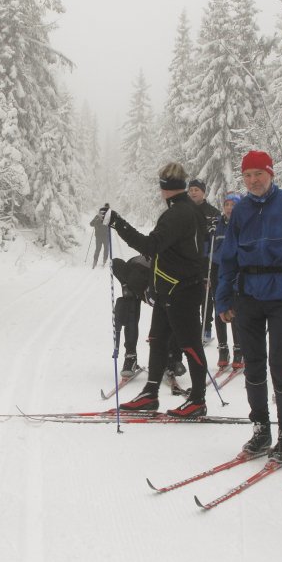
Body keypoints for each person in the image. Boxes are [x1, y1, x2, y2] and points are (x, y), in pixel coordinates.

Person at [215, 151, 282, 460]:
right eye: (248, 175)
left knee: (280, 365)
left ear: (271, 173)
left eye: (259, 173)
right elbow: (228, 257)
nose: (253, 180)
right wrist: (223, 297)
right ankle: (260, 428)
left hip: (281, 294)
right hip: (248, 297)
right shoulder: (240, 212)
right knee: (253, 365)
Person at [101, 163, 208, 417]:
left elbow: (150, 246)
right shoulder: (186, 210)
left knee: (190, 344)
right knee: (157, 341)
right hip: (169, 289)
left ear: (164, 187)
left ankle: (198, 400)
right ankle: (150, 394)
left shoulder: (178, 213)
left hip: (182, 290)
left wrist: (118, 222)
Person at [188, 178, 223, 345]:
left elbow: (219, 236)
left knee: (206, 294)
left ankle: (206, 328)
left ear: (203, 192)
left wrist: (212, 232)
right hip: (188, 258)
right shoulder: (184, 209)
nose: (193, 192)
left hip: (207, 259)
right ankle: (190, 327)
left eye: (197, 189)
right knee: (190, 294)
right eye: (191, 190)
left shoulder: (212, 212)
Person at [211, 192, 244, 370]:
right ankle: (223, 348)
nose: (230, 208)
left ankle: (239, 349)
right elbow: (207, 250)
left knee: (235, 308)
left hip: (236, 269)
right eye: (227, 204)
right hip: (218, 268)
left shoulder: (242, 223)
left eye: (233, 204)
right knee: (219, 308)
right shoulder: (218, 224)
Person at [110, 254, 152, 377]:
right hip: (133, 275)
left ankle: (169, 357)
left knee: (166, 314)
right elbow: (116, 263)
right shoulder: (133, 279)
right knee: (130, 314)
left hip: (155, 274)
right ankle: (130, 356)